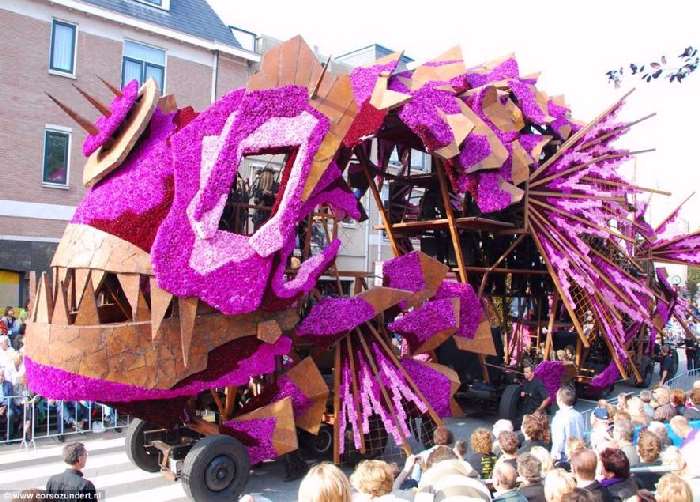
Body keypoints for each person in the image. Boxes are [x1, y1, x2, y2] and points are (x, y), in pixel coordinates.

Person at [550, 387, 585, 464]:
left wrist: (553, 457)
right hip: (578, 451)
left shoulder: (559, 418)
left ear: (559, 400)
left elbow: (558, 441)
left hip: (565, 455)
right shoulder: (578, 415)